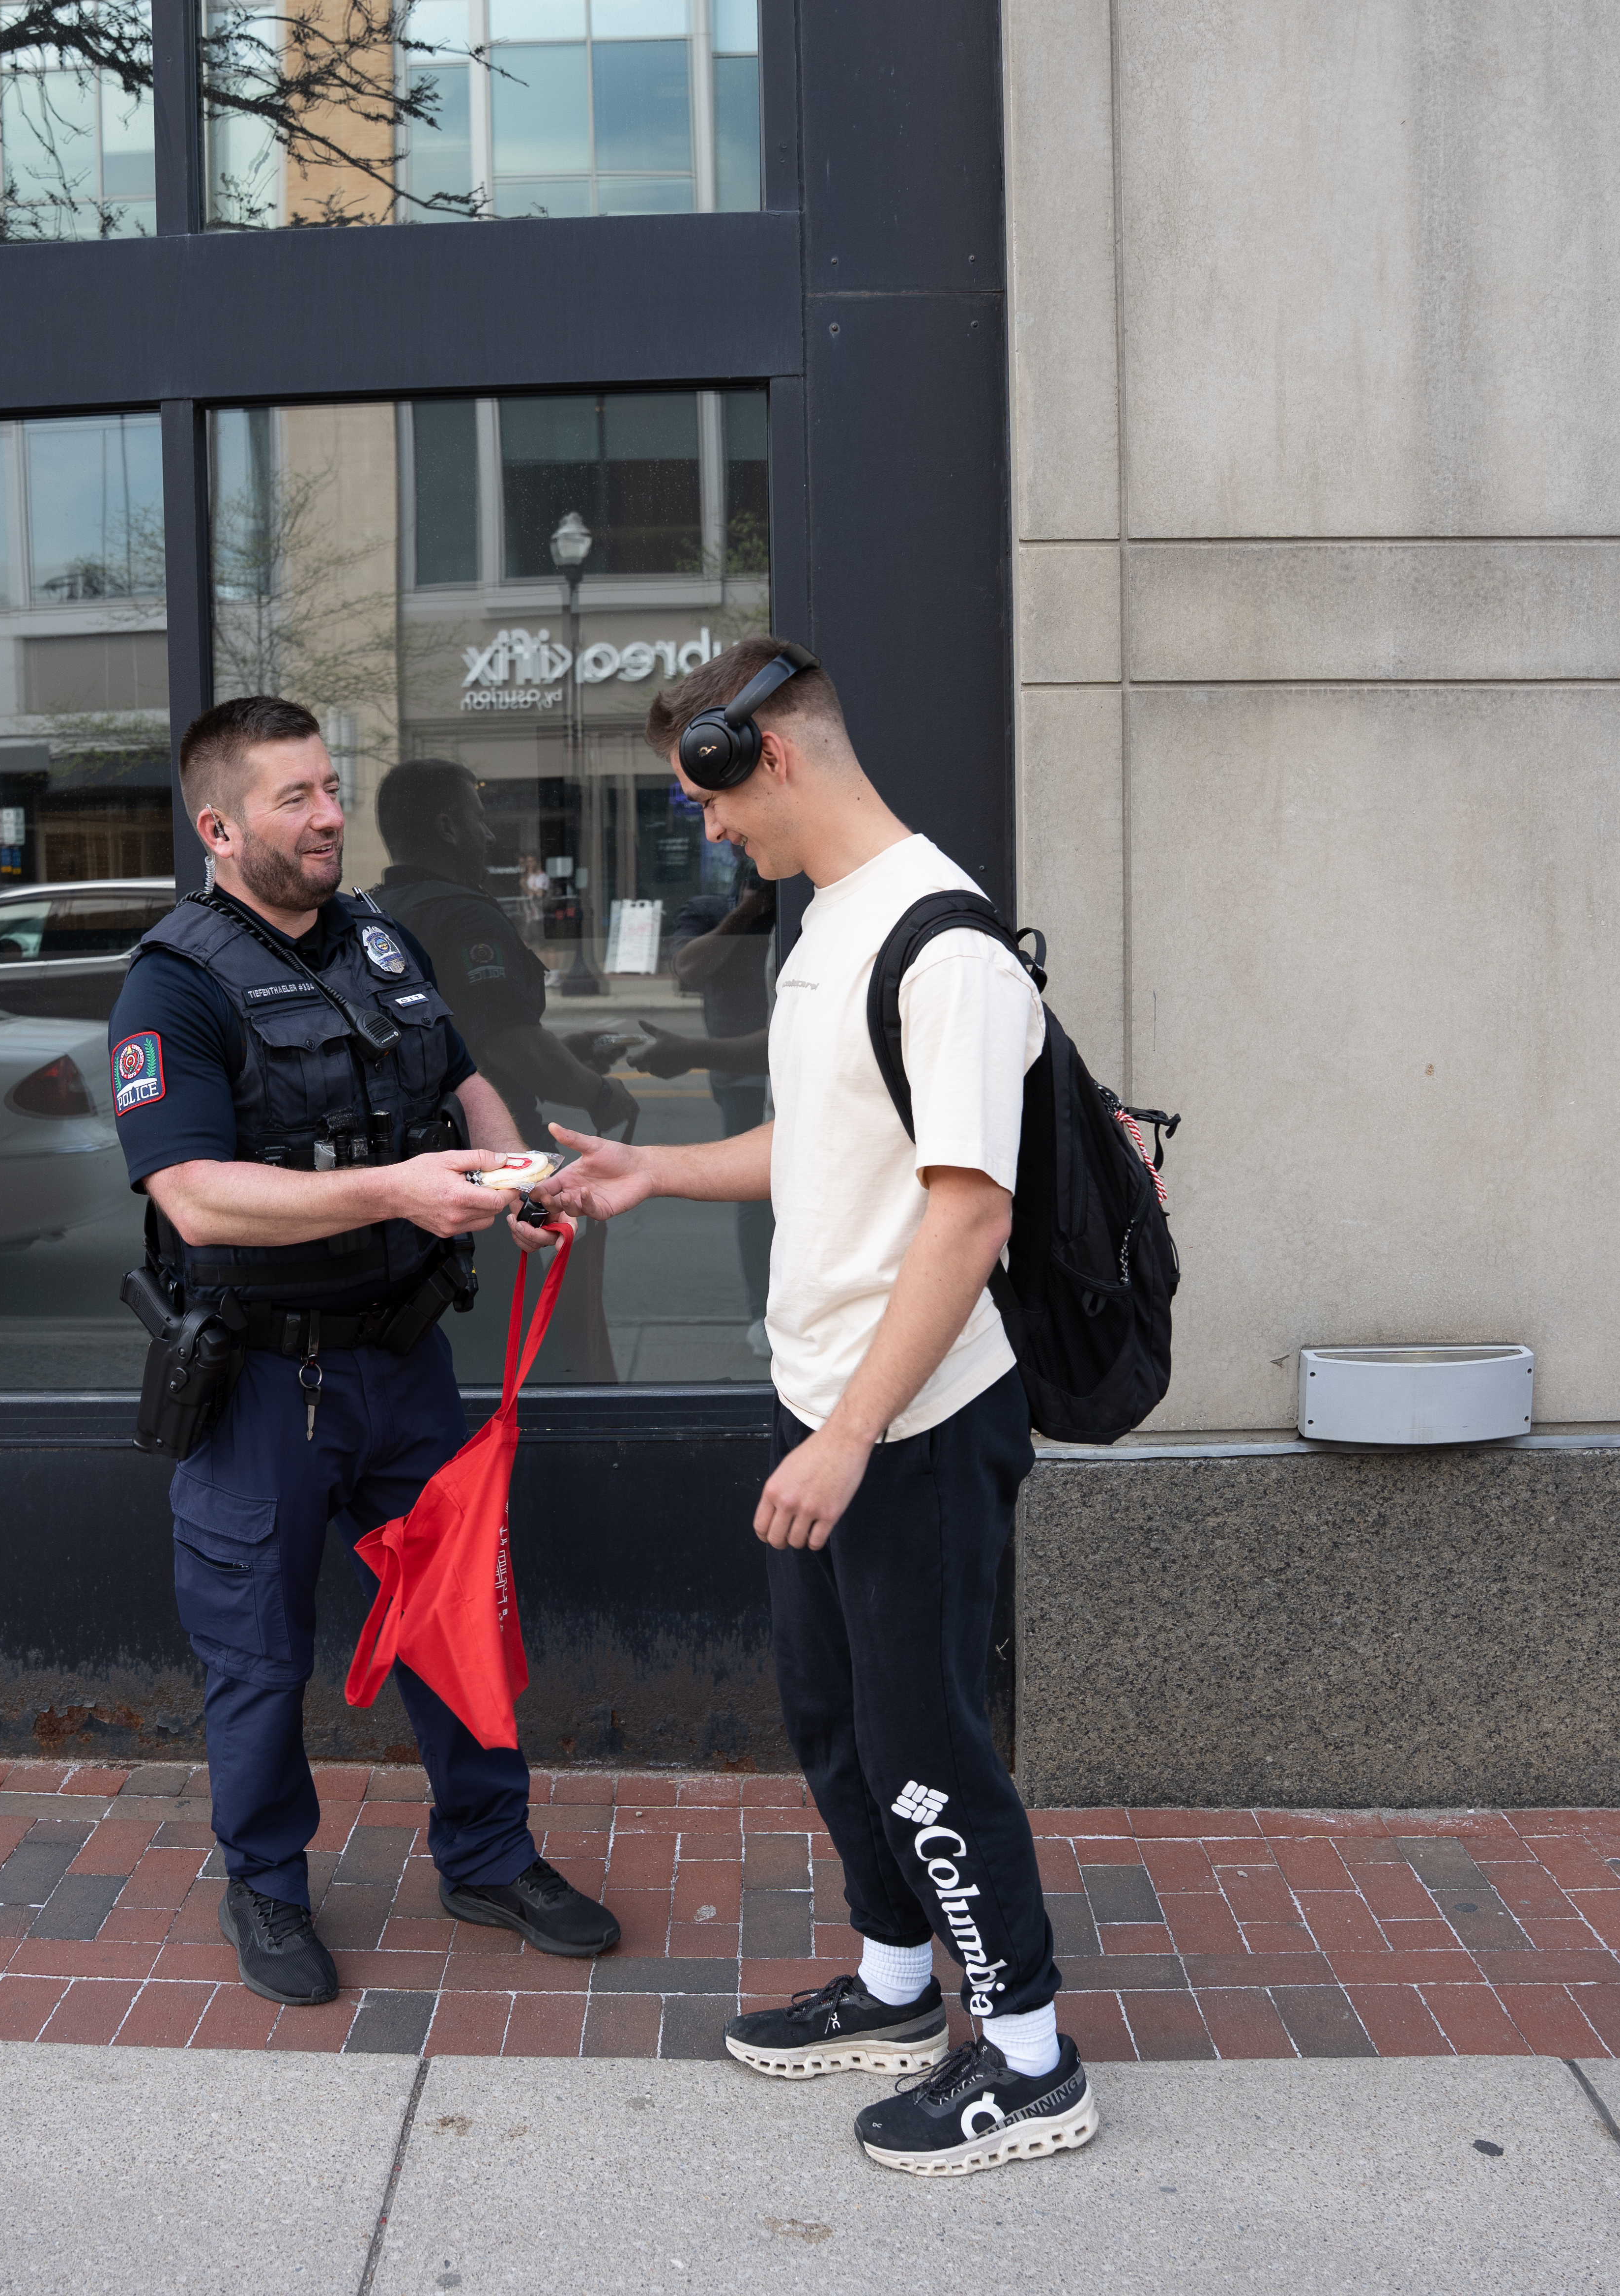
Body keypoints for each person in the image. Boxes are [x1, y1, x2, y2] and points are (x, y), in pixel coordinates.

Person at [536, 637, 1094, 2177]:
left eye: (701, 797)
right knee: (831, 1718)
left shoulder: (947, 944)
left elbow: (964, 1218)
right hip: (825, 1402)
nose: (702, 830)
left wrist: (850, 1435)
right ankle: (900, 1991)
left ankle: (1033, 2061)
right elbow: (827, 1139)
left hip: (907, 1424)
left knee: (926, 1748)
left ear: (763, 756)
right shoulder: (831, 925)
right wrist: (652, 1175)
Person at [105, 696, 622, 2009]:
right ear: (221, 828)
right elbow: (196, 1197)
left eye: (332, 787)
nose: (332, 814)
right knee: (258, 1660)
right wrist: (396, 1193)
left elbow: (456, 1080)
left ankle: (488, 1858)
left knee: (462, 1627)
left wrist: (516, 1179)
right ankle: (267, 1889)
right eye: (297, 798)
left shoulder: (378, 937)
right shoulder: (171, 983)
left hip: (404, 1367)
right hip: (262, 1385)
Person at [366, 757, 636, 1383]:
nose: (489, 835)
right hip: (485, 1172)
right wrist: (597, 1090)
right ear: (448, 827)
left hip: (405, 1175)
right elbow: (509, 1043)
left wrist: (564, 1045)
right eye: (478, 818)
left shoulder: (369, 916)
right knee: (515, 1358)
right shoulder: (465, 915)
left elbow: (452, 1039)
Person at [642, 864, 778, 1349]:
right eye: (755, 883)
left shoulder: (801, 913)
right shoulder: (712, 913)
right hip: (744, 1078)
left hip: (792, 1074)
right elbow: (687, 968)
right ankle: (761, 1311)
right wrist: (747, 913)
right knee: (754, 1196)